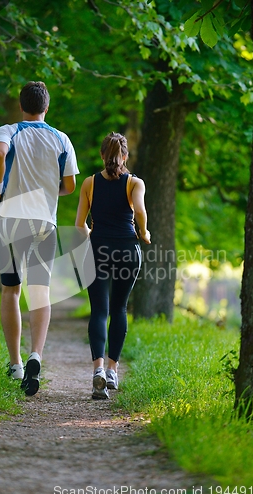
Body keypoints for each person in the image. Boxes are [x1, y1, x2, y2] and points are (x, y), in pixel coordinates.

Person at [0, 81, 79, 396]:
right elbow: (69, 186)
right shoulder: (61, 138)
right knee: (40, 293)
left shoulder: (8, 131)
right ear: (46, 108)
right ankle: (35, 355)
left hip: (11, 221)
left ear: (21, 105)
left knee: (11, 291)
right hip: (45, 223)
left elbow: (0, 153)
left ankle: (15, 364)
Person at [75, 132, 150, 399]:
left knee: (99, 311)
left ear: (101, 155)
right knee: (119, 309)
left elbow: (79, 225)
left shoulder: (89, 183)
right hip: (128, 250)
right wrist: (145, 232)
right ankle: (112, 371)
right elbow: (139, 211)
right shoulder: (134, 183)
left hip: (98, 251)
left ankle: (97, 371)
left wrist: (93, 235)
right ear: (125, 156)